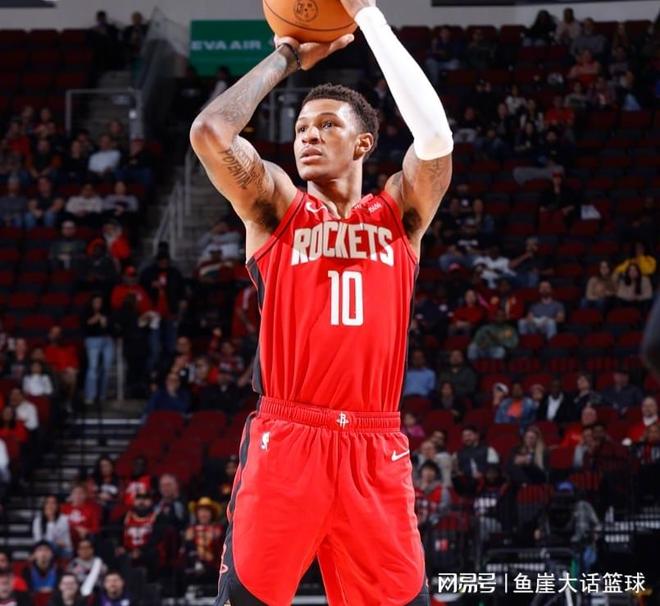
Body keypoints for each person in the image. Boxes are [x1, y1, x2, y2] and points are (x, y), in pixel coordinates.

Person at [189, 0, 454, 601]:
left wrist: (368, 17)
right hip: (288, 440)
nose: (308, 135)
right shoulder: (277, 208)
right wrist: (286, 55)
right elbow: (210, 133)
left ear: (363, 143)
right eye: (302, 128)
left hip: (374, 447)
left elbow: (436, 137)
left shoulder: (399, 213)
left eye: (328, 125)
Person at [82, 294, 114, 406]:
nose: (98, 304)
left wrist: (105, 323)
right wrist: (95, 319)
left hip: (107, 340)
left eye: (100, 302)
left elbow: (110, 326)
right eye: (96, 302)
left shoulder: (106, 312)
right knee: (93, 368)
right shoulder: (86, 312)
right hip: (93, 340)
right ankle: (90, 396)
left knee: (106, 368)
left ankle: (102, 395)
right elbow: (85, 325)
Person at [183, 497, 224, 584]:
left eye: (207, 511)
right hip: (194, 570)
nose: (204, 514)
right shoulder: (191, 530)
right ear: (197, 513)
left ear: (212, 513)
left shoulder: (219, 529)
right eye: (201, 511)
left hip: (214, 571)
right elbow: (186, 550)